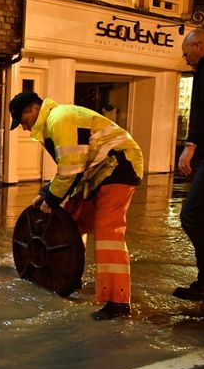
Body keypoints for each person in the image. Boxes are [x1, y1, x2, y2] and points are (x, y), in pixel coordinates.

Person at [9, 91, 143, 320]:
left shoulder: (60, 119)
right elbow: (72, 167)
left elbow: (71, 169)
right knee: (71, 218)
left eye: (23, 121)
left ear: (32, 109)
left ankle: (118, 302)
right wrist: (46, 195)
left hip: (120, 166)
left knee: (107, 232)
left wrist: (50, 199)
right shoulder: (54, 123)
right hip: (97, 171)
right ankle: (67, 278)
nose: (24, 128)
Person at [173, 28, 204, 302]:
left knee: (192, 216)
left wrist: (190, 145)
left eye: (186, 52)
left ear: (199, 44)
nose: (186, 59)